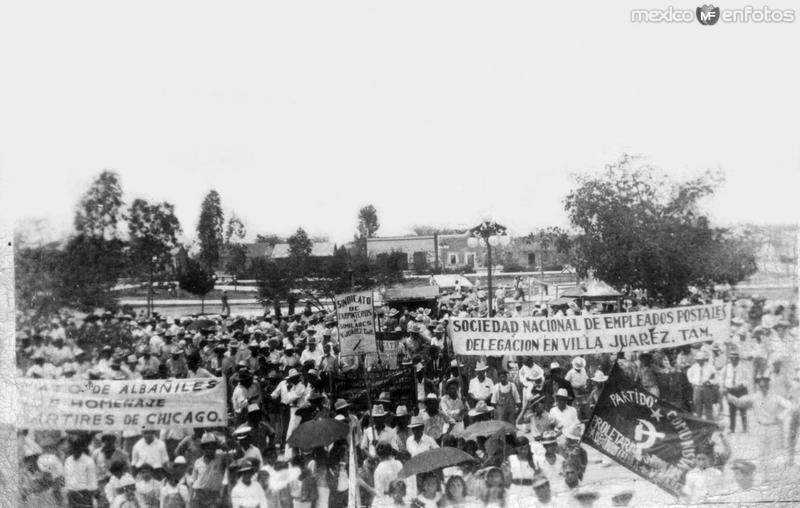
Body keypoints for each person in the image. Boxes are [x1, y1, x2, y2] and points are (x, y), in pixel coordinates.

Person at [189, 433, 228, 508]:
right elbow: (192, 481)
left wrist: (213, 435)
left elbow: (225, 447)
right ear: (203, 449)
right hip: (199, 494)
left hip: (214, 495)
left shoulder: (220, 459)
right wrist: (189, 498)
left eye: (213, 447)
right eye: (208, 448)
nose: (210, 450)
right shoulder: (198, 462)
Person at [64, 439, 99, 508]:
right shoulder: (68, 460)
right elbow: (67, 477)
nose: (75, 452)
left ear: (81, 450)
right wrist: (67, 492)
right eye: (73, 450)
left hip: (84, 493)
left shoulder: (88, 461)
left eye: (77, 450)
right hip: (72, 493)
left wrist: (92, 493)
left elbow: (92, 478)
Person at [721, 350, 749, 433]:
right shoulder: (726, 367)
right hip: (731, 390)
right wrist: (724, 387)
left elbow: (748, 379)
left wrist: (742, 384)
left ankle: (745, 428)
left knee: (742, 410)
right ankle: (732, 428)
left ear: (738, 359)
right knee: (731, 410)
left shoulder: (743, 367)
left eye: (735, 358)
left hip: (741, 390)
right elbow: (722, 378)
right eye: (731, 358)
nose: (733, 360)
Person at [687, 350, 717, 421]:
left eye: (701, 360)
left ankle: (710, 423)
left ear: (704, 359)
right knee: (697, 407)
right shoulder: (694, 367)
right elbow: (689, 375)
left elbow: (716, 378)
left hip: (707, 388)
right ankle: (699, 424)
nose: (699, 362)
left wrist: (710, 381)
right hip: (697, 388)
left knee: (708, 407)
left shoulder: (710, 367)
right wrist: (693, 382)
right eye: (698, 360)